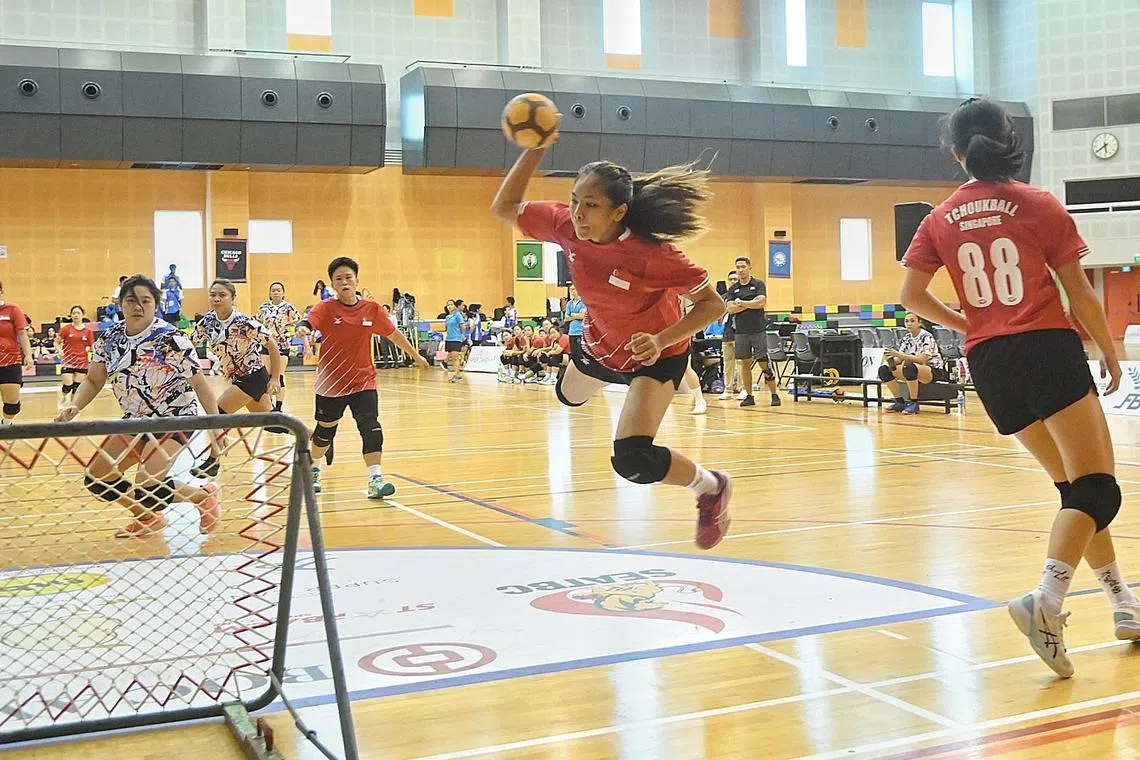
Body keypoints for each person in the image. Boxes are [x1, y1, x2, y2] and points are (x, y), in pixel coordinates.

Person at [900, 97, 1140, 678]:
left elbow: (911, 296)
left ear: (957, 153)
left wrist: (971, 325)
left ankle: (1122, 603)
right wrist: (1111, 350)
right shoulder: (1036, 204)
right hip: (1046, 351)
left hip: (990, 363)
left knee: (1075, 493)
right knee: (1099, 489)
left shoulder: (938, 219)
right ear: (1010, 143)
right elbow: (1080, 291)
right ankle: (1047, 602)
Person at [492, 134, 733, 550]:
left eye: (591, 205)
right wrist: (534, 149)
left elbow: (714, 306)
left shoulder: (654, 256)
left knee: (633, 460)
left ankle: (710, 487)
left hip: (654, 357)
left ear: (619, 212)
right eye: (574, 201)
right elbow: (504, 208)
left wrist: (661, 338)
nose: (578, 213)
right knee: (567, 397)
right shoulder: (564, 226)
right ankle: (603, 378)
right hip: (599, 346)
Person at [56, 275, 221, 538]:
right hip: (135, 419)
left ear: (155, 305)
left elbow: (201, 385)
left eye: (146, 301)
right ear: (121, 304)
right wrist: (75, 407)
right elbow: (93, 379)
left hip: (176, 418)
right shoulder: (109, 339)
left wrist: (216, 429)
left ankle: (201, 497)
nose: (138, 306)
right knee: (98, 479)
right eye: (131, 300)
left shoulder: (172, 339)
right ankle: (147, 517)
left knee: (148, 490)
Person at [294, 257, 430, 498]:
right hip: (331, 383)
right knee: (325, 432)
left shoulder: (371, 309)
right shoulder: (325, 308)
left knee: (371, 427)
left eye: (348, 277)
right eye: (338, 279)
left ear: (357, 280)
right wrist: (303, 329)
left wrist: (416, 356)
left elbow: (393, 334)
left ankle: (375, 479)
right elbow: (308, 321)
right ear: (332, 284)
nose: (344, 282)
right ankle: (314, 468)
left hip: (363, 380)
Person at [191, 278, 283, 416]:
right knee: (274, 424)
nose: (216, 299)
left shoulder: (244, 323)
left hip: (253, 377)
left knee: (217, 417)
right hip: (235, 378)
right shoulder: (206, 322)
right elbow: (188, 345)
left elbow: (273, 347)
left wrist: (275, 378)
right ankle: (315, 437)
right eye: (212, 295)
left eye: (222, 295)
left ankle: (220, 439)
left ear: (233, 298)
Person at [726, 257, 780, 408]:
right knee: (745, 364)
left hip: (757, 331)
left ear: (749, 267)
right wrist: (751, 304)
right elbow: (730, 309)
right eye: (738, 267)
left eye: (743, 266)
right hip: (741, 332)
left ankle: (774, 394)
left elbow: (761, 302)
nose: (740, 269)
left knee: (764, 363)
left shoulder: (758, 284)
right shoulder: (733, 289)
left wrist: (741, 303)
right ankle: (749, 396)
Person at [878, 313, 947, 414]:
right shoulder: (907, 338)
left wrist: (899, 355)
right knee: (884, 369)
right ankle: (899, 401)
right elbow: (899, 360)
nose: (909, 324)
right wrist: (890, 359)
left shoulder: (927, 337)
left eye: (912, 321)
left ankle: (914, 403)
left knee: (909, 367)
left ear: (919, 323)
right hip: (913, 368)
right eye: (907, 321)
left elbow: (922, 360)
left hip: (932, 370)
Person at [258, 281, 302, 413]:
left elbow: (298, 320)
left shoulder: (289, 308)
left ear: (283, 293)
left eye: (278, 290)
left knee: (279, 376)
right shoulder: (264, 307)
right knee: (267, 376)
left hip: (282, 345)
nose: (276, 292)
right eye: (273, 290)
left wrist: (287, 330)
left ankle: (279, 407)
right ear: (270, 293)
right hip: (266, 344)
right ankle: (270, 405)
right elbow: (259, 323)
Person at [0, 281, 34, 425]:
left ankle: (5, 426)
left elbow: (22, 333)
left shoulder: (13, 309)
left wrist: (28, 355)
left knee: (12, 405)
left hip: (10, 361)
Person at [56, 305, 94, 410]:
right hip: (68, 360)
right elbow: (57, 342)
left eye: (78, 313)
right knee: (67, 385)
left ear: (82, 315)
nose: (76, 315)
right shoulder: (66, 329)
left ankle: (72, 407)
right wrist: (60, 350)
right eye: (74, 313)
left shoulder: (88, 331)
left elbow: (92, 346)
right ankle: (64, 398)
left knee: (77, 387)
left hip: (82, 361)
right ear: (71, 315)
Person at [718, 270, 741, 400]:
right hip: (727, 332)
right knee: (727, 362)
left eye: (735, 279)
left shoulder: (743, 294)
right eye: (730, 279)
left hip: (740, 331)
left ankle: (742, 388)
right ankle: (728, 389)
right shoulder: (725, 297)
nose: (732, 281)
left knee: (741, 362)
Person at [443, 301, 468, 383]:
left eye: (451, 304)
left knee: (455, 357)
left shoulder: (457, 315)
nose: (449, 306)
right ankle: (456, 374)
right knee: (452, 358)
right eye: (448, 305)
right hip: (449, 339)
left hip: (456, 338)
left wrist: (462, 335)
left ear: (454, 306)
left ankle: (457, 375)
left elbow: (462, 325)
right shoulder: (447, 317)